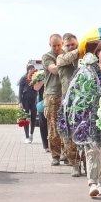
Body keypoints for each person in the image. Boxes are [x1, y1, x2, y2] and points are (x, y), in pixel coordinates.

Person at [64, 40, 101, 197]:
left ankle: (100, 183)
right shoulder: (88, 71)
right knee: (92, 150)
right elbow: (77, 92)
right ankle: (92, 182)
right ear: (97, 54)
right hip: (91, 117)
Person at [56, 34, 82, 175]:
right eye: (68, 45)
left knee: (83, 134)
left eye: (74, 44)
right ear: (63, 46)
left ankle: (85, 164)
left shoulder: (84, 58)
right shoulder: (61, 58)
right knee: (68, 136)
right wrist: (78, 50)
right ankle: (75, 165)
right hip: (68, 102)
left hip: (83, 102)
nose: (71, 47)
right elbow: (66, 59)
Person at [41, 34, 64, 162]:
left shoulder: (67, 54)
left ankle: (67, 153)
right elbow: (53, 69)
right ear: (50, 45)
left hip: (66, 93)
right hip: (52, 94)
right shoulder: (47, 57)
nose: (56, 48)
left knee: (66, 125)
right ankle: (55, 155)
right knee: (53, 126)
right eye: (54, 45)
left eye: (59, 45)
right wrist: (66, 61)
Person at [18, 63, 39, 144]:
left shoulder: (36, 78)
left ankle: (31, 134)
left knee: (33, 120)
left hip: (34, 101)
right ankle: (26, 137)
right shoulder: (23, 78)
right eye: (30, 69)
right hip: (25, 101)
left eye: (33, 69)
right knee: (26, 119)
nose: (32, 70)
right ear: (27, 70)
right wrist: (20, 102)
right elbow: (20, 91)